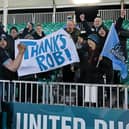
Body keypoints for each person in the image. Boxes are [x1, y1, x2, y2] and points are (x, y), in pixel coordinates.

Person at [0, 34, 26, 129]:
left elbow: (13, 66)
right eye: (0, 40)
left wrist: (20, 54)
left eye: (4, 40)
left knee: (7, 107)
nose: (2, 41)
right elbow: (13, 67)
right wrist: (21, 53)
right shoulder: (1, 52)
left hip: (7, 83)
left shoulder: (6, 52)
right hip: (2, 84)